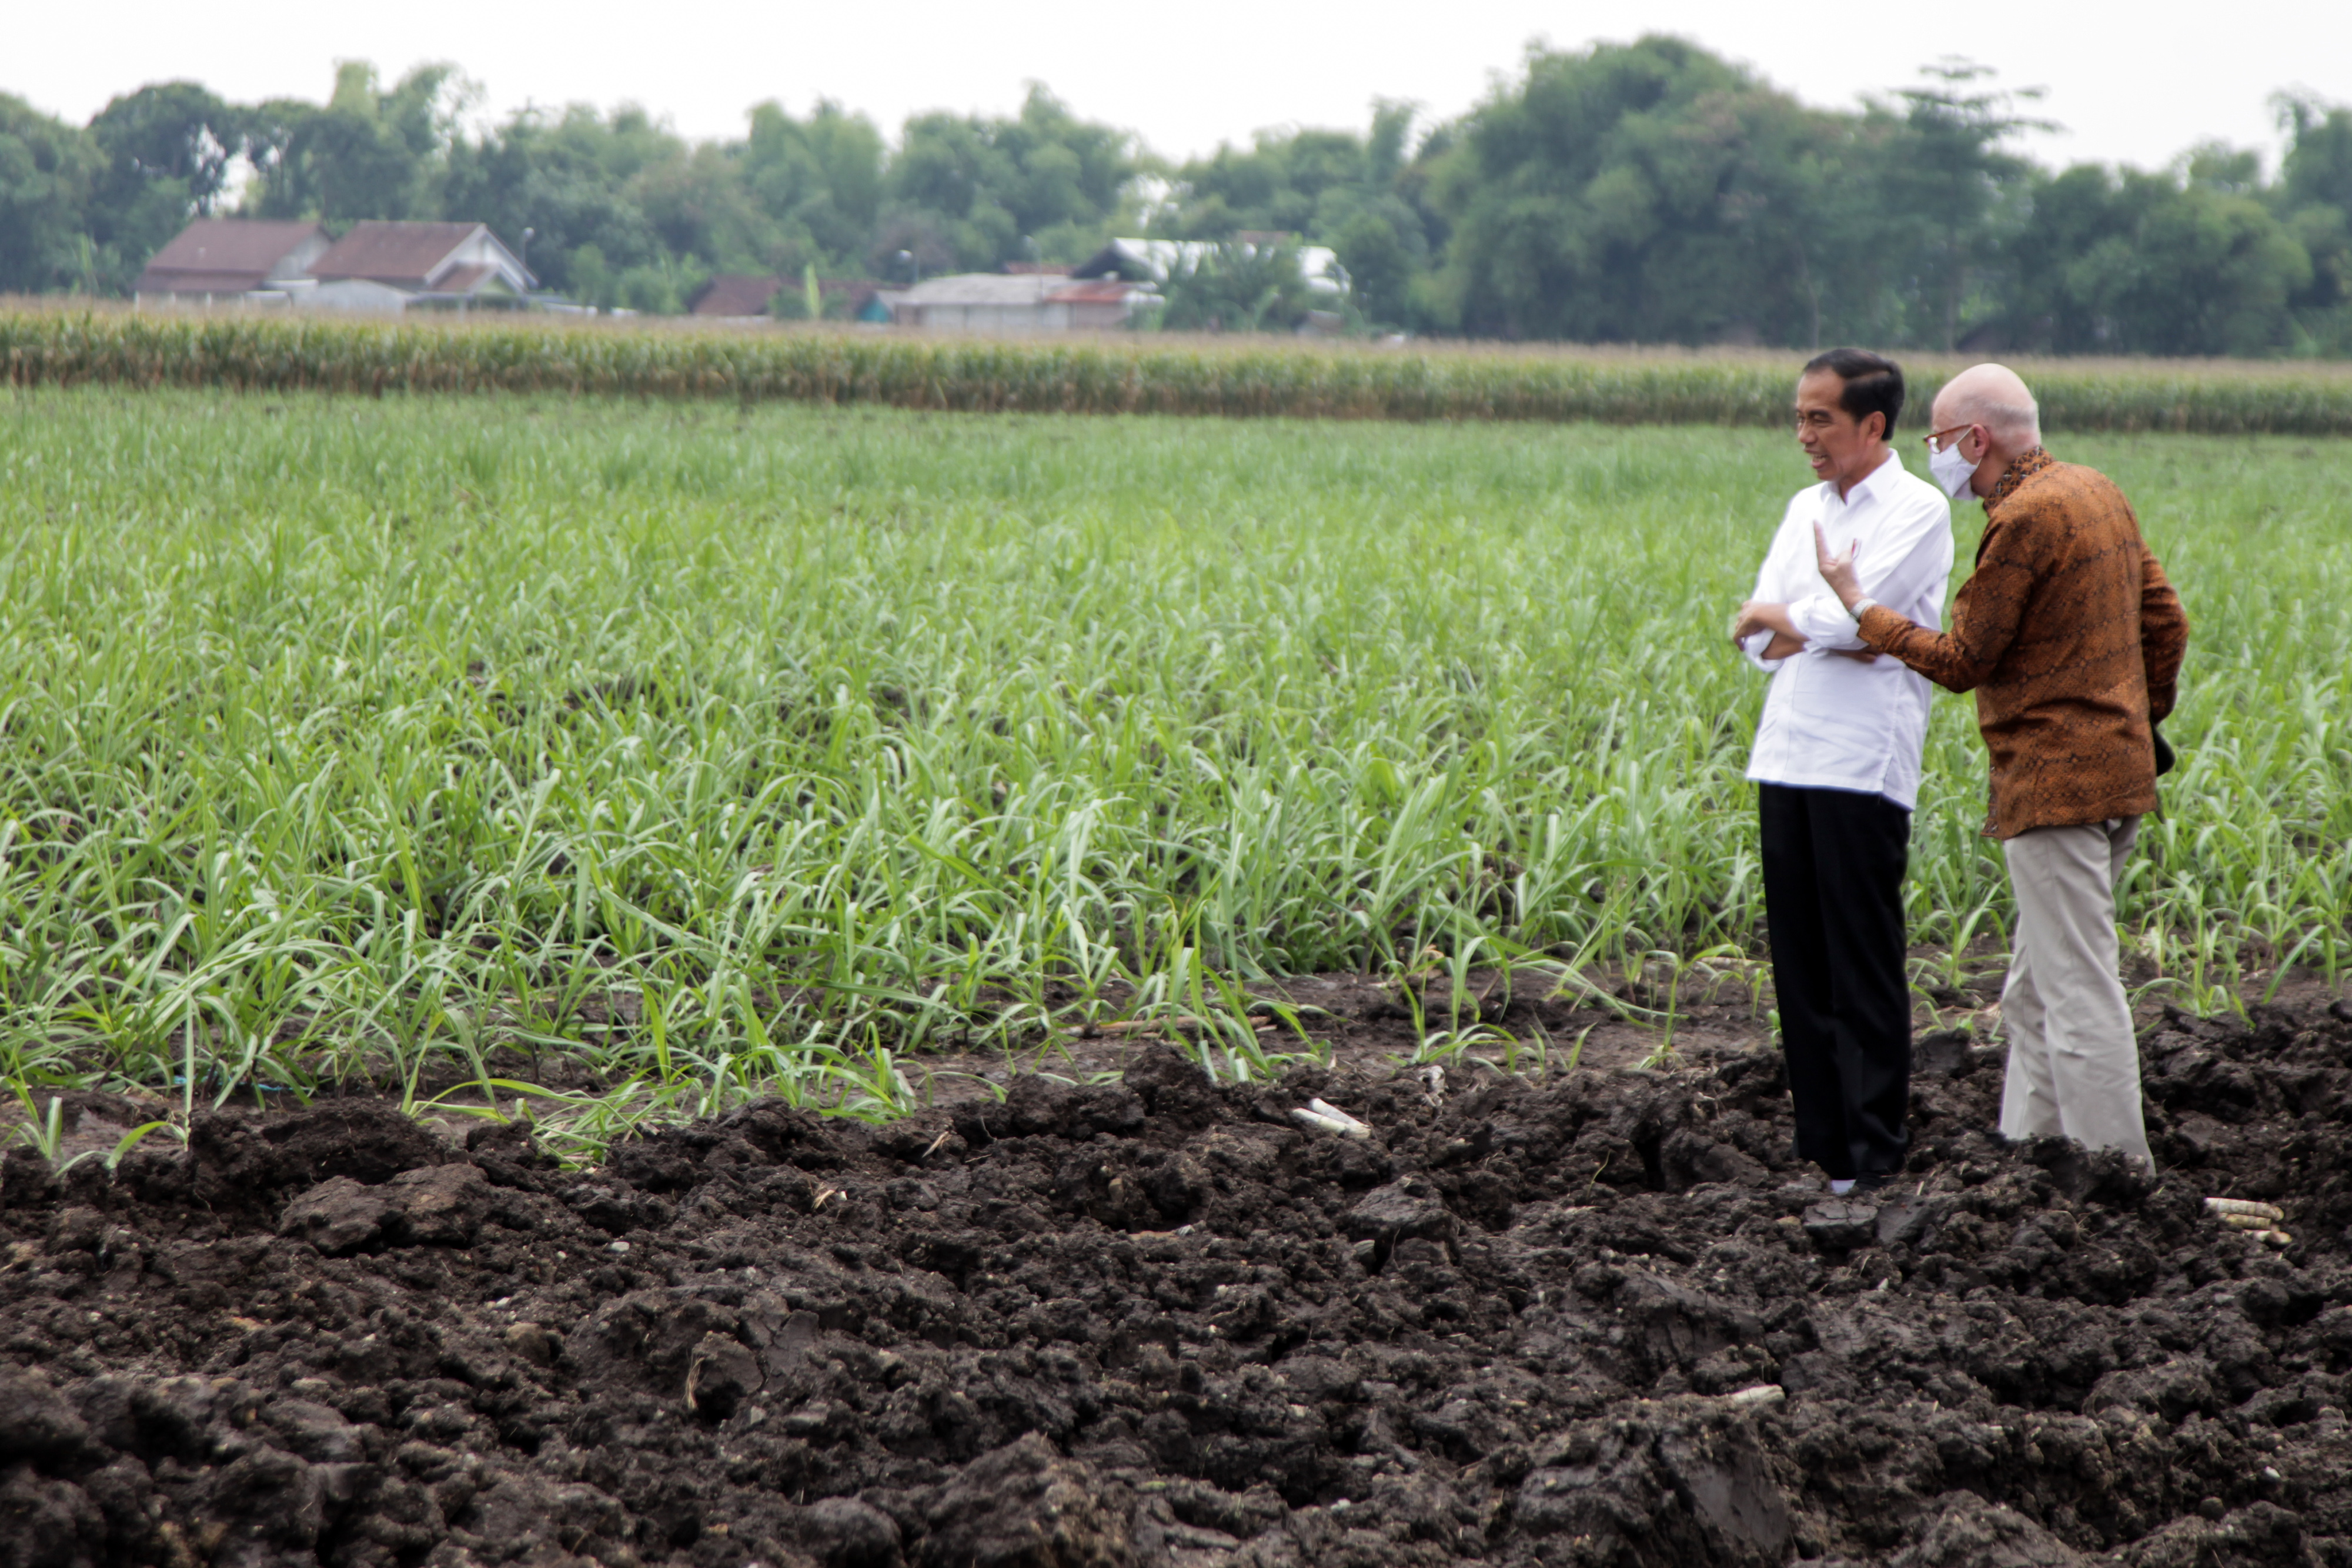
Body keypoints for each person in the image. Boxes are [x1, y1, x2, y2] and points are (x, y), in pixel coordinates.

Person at [1812, 363, 2188, 1167]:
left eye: (1938, 440)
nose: (1934, 454)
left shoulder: (2022, 517)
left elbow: (1962, 659)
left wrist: (1859, 606)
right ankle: (2028, 1158)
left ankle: (2117, 1173)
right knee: (2032, 989)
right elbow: (2168, 622)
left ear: (1974, 440)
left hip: (2054, 791)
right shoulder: (2097, 491)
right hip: (2121, 779)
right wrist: (2136, 720)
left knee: (2078, 988)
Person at [1729, 349, 1955, 1196]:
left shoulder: (1919, 509)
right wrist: (1820, 624)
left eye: (1820, 419)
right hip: (1786, 753)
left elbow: (1871, 625)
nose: (1805, 435)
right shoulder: (1803, 507)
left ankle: (1873, 1156)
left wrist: (1822, 623)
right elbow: (1761, 631)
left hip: (1863, 764)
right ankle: (1820, 1151)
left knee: (1859, 961)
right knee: (1799, 962)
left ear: (1873, 425)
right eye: (1799, 417)